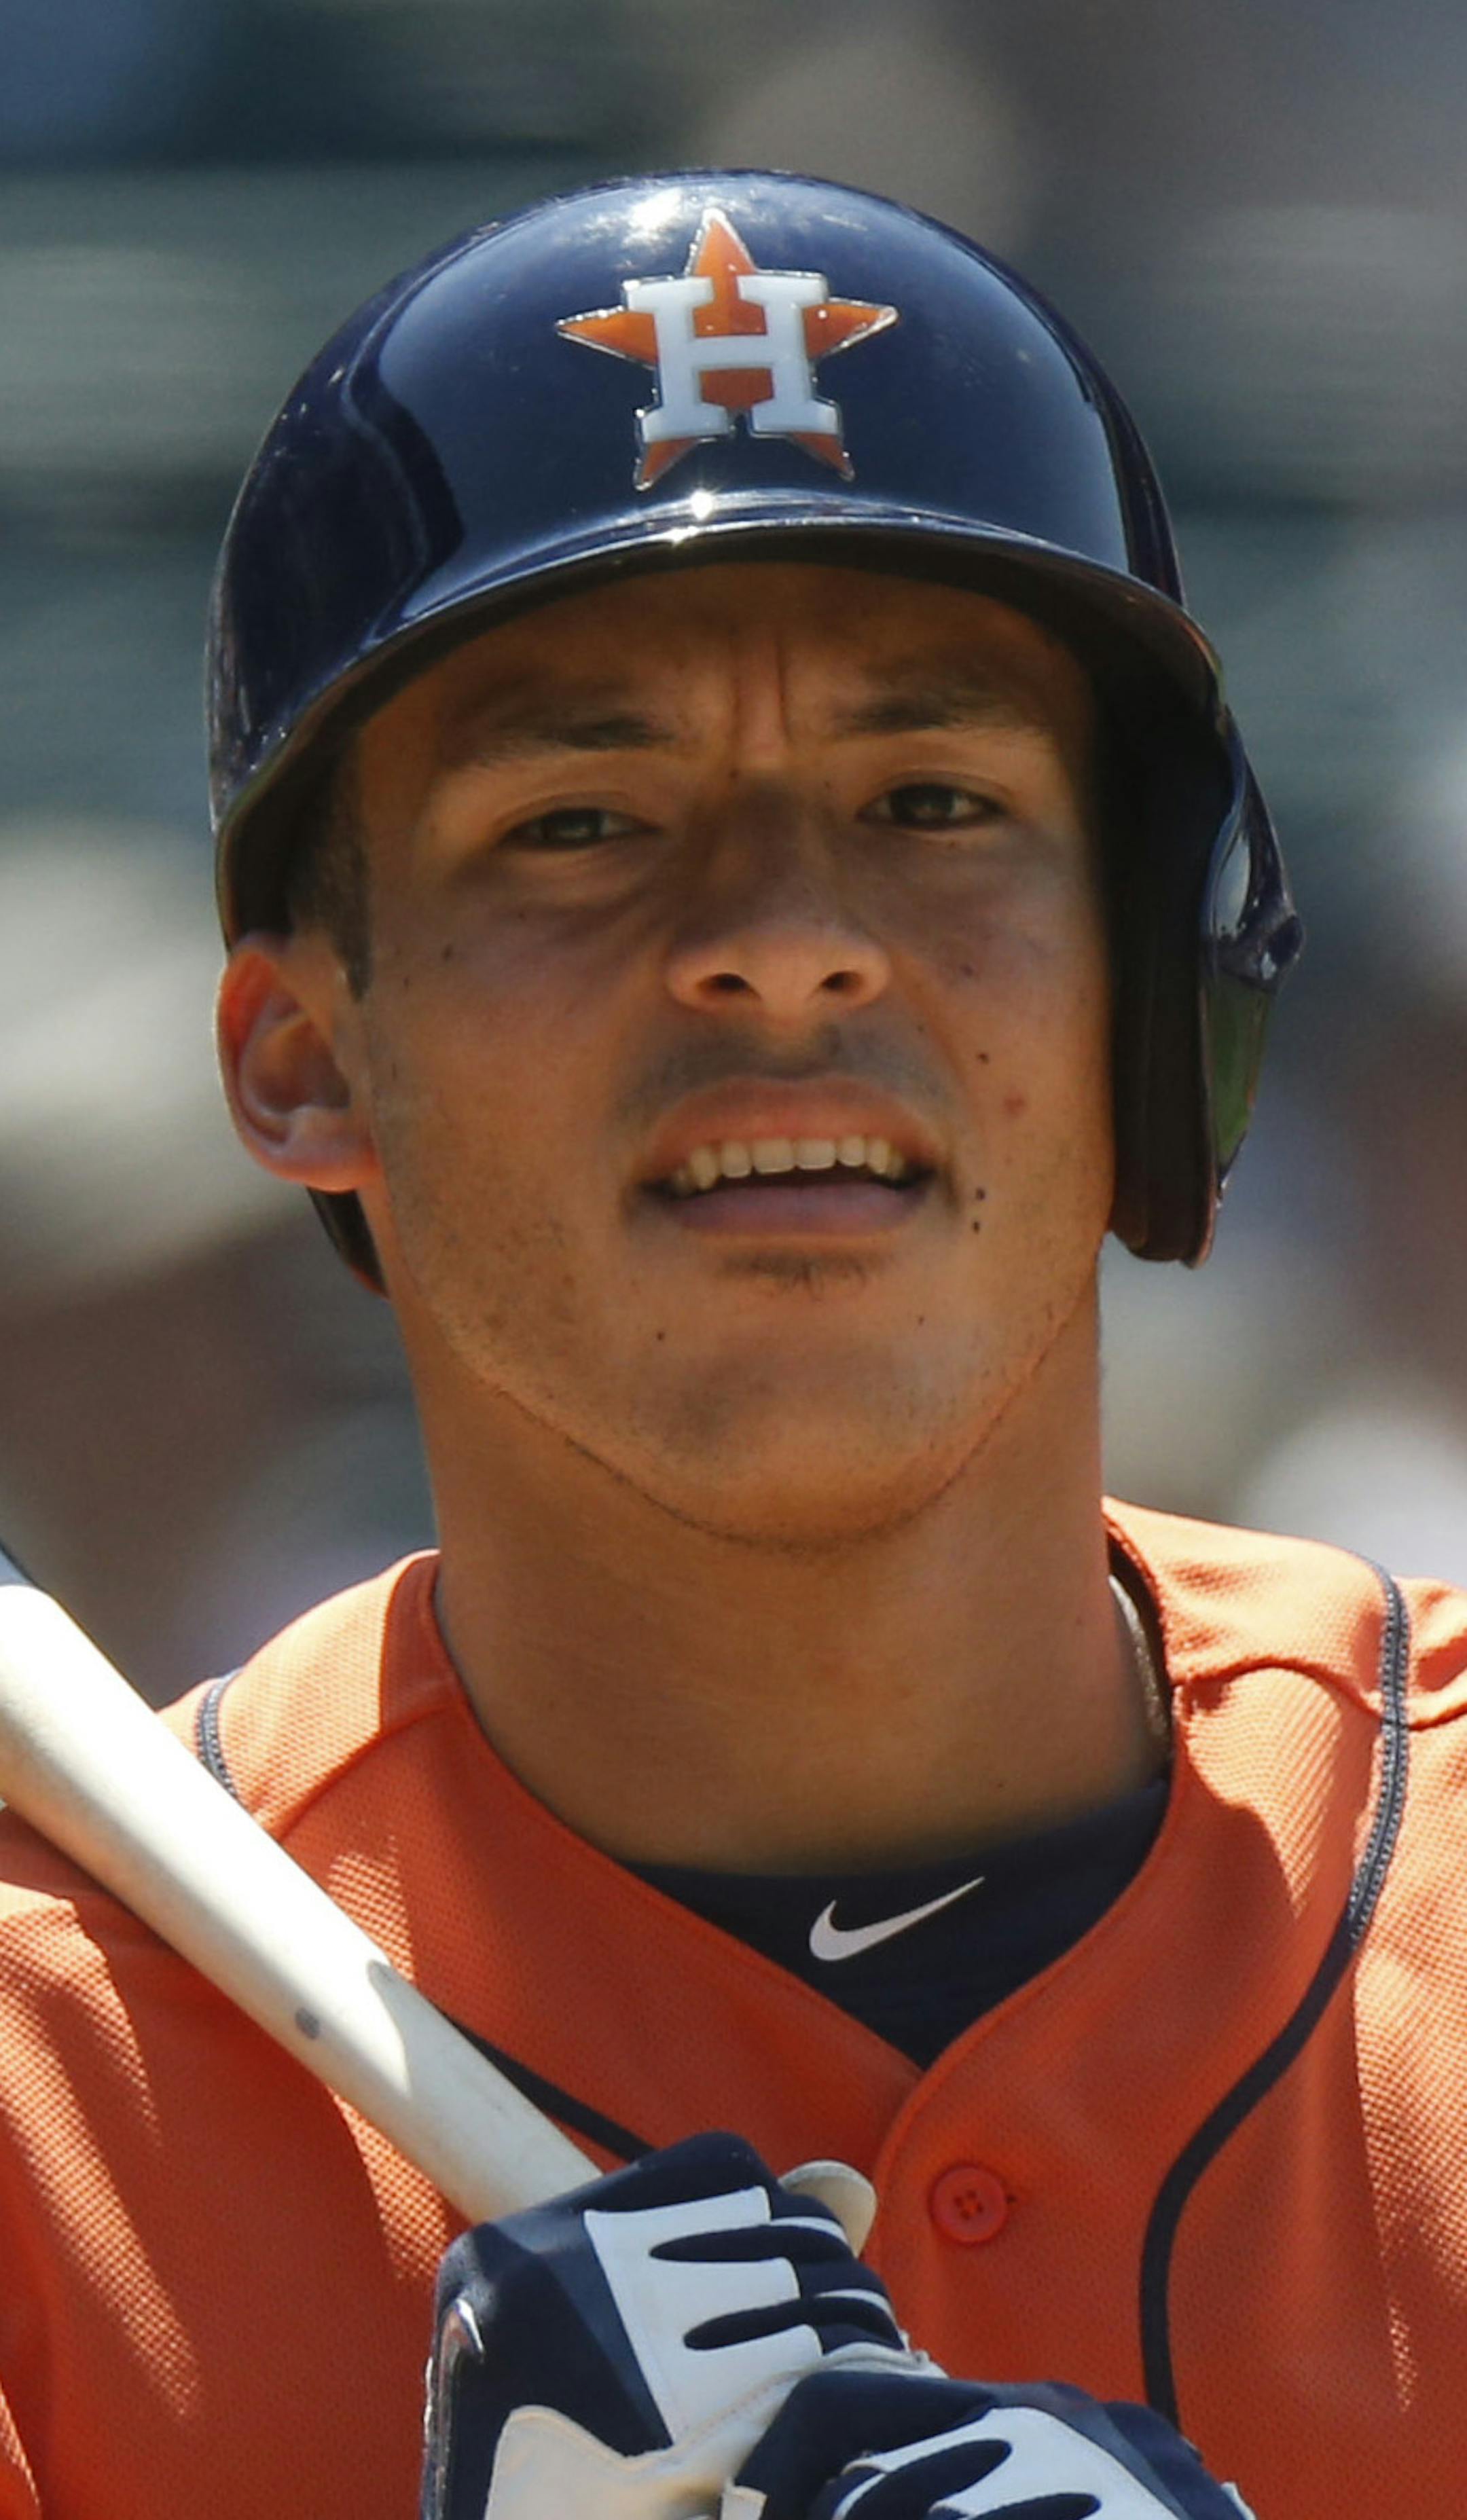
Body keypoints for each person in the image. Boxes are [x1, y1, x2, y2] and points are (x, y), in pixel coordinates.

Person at [0, 167, 1461, 2520]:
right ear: (299, 1058)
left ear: (1157, 995)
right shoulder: (41, 2098)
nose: (783, 943)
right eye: (578, 821)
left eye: (932, 802)